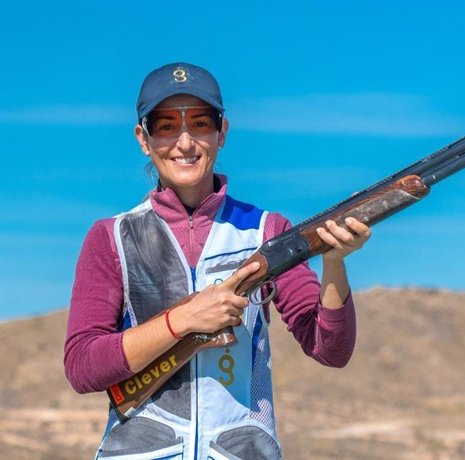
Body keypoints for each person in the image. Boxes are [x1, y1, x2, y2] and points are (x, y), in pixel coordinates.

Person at [64, 62, 371, 460]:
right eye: (167, 125)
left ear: (222, 132)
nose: (186, 142)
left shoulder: (268, 231)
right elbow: (83, 366)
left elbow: (330, 349)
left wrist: (334, 264)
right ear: (143, 138)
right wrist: (183, 321)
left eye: (201, 124)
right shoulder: (111, 237)